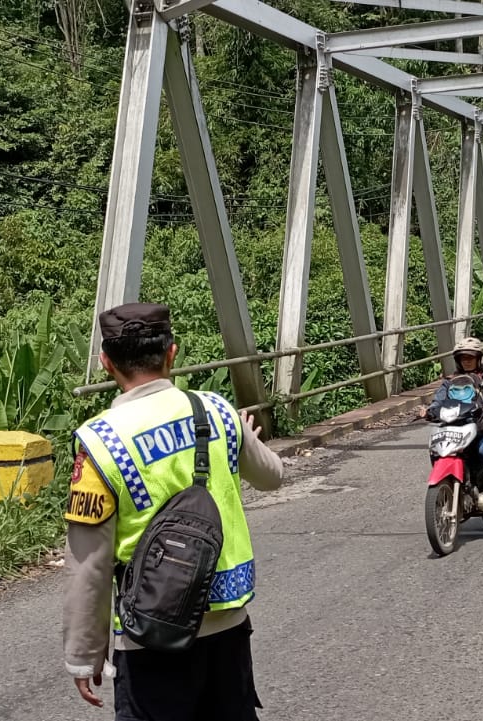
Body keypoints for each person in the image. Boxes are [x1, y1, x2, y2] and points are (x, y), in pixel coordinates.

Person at [62, 302, 285, 721]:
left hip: (150, 633)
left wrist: (84, 653)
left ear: (106, 362)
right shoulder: (217, 412)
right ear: (172, 353)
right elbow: (273, 476)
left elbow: (88, 562)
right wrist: (244, 436)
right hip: (227, 624)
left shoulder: (100, 442)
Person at [418, 336, 483, 509]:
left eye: (471, 357)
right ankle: (449, 482)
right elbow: (439, 401)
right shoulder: (451, 380)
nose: (467, 361)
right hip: (457, 428)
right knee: (437, 450)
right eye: (463, 358)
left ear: (480, 358)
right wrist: (429, 410)